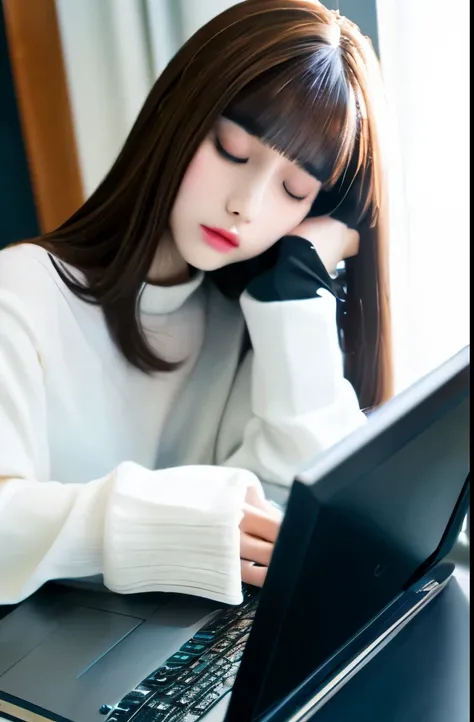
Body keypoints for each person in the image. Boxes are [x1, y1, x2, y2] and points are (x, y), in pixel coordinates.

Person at [0, 0, 392, 609]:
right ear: (176, 118)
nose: (247, 205)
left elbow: (294, 509)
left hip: (159, 642)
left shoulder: (240, 321)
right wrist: (153, 523)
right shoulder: (21, 291)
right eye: (233, 149)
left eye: (293, 190)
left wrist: (295, 293)